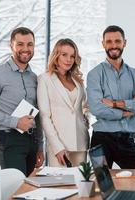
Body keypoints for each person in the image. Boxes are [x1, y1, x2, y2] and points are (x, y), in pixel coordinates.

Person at [0, 27, 44, 176]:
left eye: (30, 44)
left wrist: (40, 146)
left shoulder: (33, 77)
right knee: (16, 189)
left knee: (29, 188)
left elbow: (37, 115)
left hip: (31, 140)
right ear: (11, 45)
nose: (26, 49)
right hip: (9, 139)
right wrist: (16, 122)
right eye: (20, 44)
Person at [87, 25, 135, 169]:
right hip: (101, 139)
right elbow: (96, 108)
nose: (113, 45)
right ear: (103, 44)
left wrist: (115, 104)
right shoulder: (94, 74)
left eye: (117, 41)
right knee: (99, 186)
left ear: (124, 43)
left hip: (127, 140)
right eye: (109, 41)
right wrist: (127, 111)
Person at [37, 38, 89, 167]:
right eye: (64, 55)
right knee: (60, 185)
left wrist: (86, 118)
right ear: (56, 56)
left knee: (81, 183)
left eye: (72, 56)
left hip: (80, 142)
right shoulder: (45, 79)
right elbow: (44, 116)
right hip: (60, 145)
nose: (69, 59)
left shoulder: (78, 81)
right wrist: (57, 146)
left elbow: (85, 106)